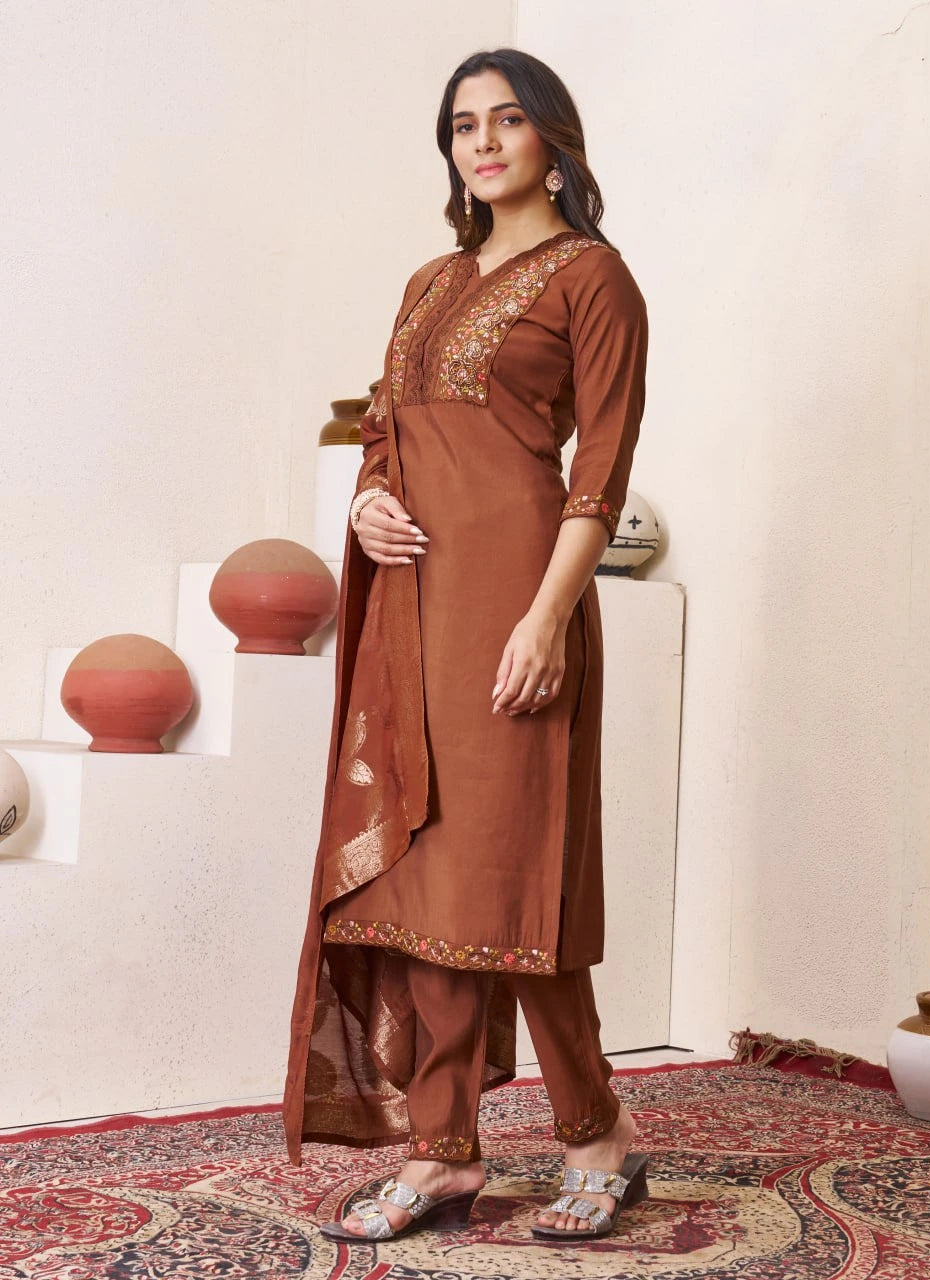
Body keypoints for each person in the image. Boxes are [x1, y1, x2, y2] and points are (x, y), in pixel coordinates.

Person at [282, 47, 649, 1243]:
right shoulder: (429, 279)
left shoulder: (594, 278)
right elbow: (386, 432)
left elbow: (601, 469)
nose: (482, 142)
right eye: (462, 125)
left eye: (506, 120)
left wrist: (547, 617)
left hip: (517, 596)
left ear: (553, 137)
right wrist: (366, 504)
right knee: (424, 874)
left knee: (518, 878)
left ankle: (595, 1132)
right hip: (415, 605)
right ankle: (443, 1151)